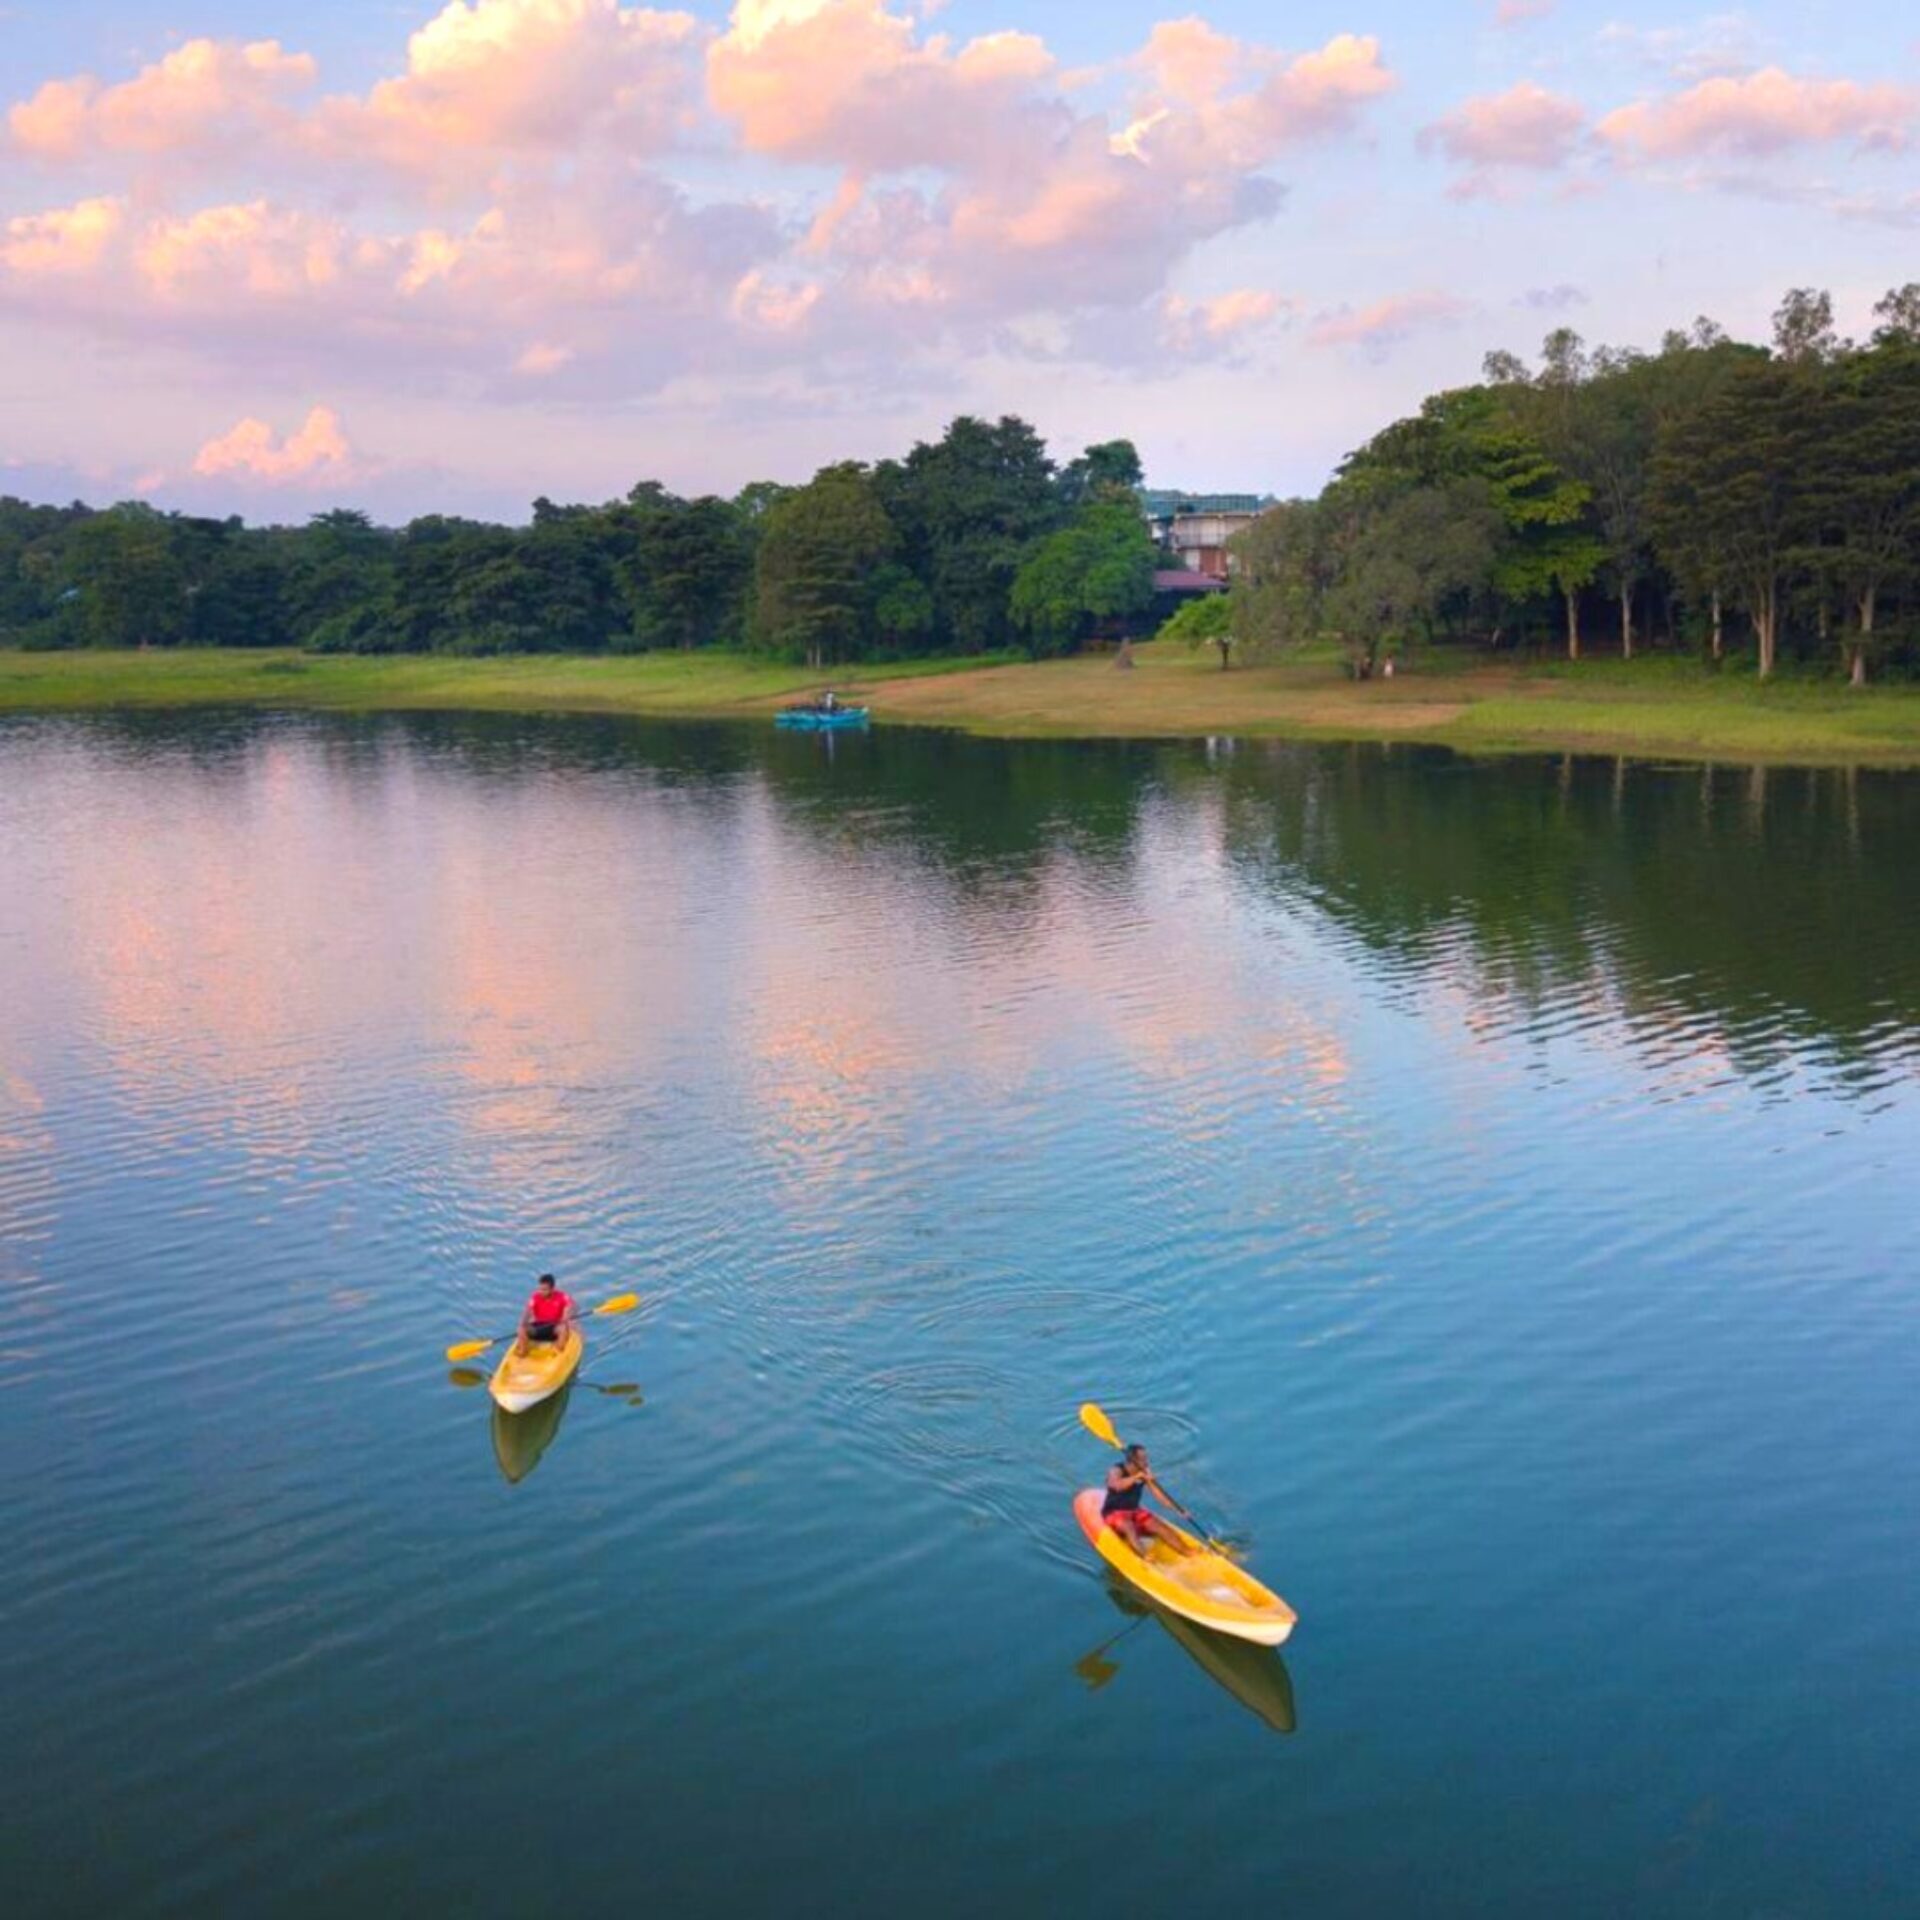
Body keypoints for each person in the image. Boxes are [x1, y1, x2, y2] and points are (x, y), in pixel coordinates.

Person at [1102, 1442, 1172, 1556]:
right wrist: (1136, 1477)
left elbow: (1158, 1494)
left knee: (1159, 1526)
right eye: (1143, 1459)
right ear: (1133, 1460)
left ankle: (1190, 1553)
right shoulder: (1116, 1470)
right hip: (1113, 1513)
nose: (1147, 1462)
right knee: (1128, 1527)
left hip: (1135, 1511)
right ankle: (1146, 1559)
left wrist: (1178, 1510)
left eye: (1146, 1458)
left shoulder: (1144, 1472)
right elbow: (1116, 1486)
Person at [514, 1272, 576, 1357]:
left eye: (544, 1290)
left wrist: (566, 1316)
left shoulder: (562, 1296)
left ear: (552, 1289)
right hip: (539, 1327)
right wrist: (523, 1322)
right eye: (540, 1289)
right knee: (521, 1328)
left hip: (554, 1328)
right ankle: (523, 1351)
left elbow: (571, 1306)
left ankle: (558, 1351)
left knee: (563, 1328)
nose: (541, 1292)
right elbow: (527, 1312)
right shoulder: (535, 1297)